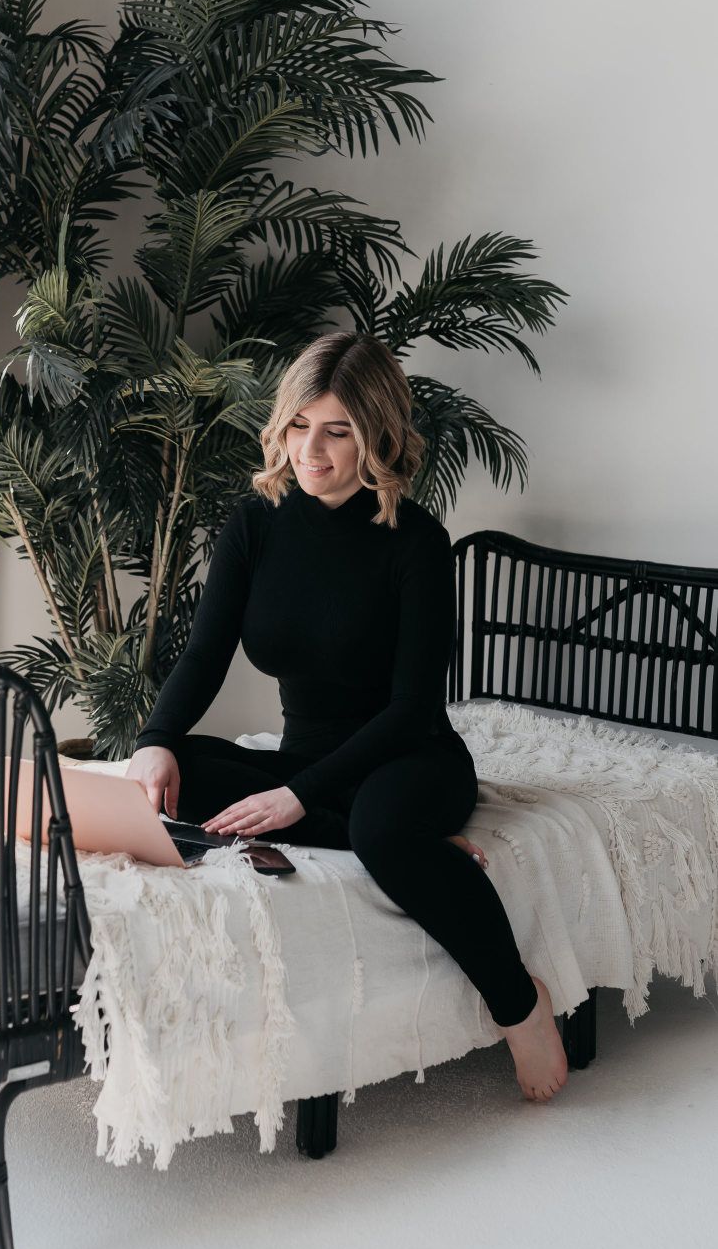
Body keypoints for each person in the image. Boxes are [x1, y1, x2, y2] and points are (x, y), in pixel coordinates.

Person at [125, 332, 568, 1103]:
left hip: (410, 759)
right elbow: (202, 656)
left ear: (378, 436)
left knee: (382, 828)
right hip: (312, 766)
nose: (311, 451)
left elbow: (412, 708)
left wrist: (296, 798)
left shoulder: (417, 542)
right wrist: (156, 740)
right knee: (182, 773)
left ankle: (521, 1005)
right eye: (299, 426)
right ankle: (394, 840)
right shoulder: (255, 526)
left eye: (337, 432)